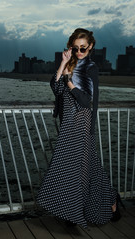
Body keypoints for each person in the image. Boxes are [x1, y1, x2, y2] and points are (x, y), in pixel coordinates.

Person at [36, 28, 122, 228]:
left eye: (83, 48)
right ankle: (111, 201)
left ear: (90, 46)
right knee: (89, 168)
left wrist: (69, 81)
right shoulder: (70, 64)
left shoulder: (90, 68)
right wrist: (63, 64)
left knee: (75, 169)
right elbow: (55, 88)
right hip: (68, 124)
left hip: (81, 124)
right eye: (75, 48)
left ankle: (72, 214)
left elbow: (85, 101)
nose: (79, 52)